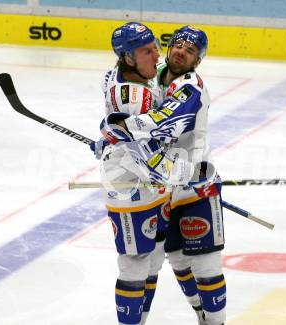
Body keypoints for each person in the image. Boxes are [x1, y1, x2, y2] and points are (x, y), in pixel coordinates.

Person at [102, 26, 226, 325]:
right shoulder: (151, 71)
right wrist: (109, 132)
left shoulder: (191, 87)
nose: (182, 51)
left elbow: (164, 123)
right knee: (160, 260)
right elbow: (118, 98)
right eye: (178, 45)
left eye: (191, 50)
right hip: (162, 183)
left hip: (195, 180)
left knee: (205, 264)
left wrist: (118, 131)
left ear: (198, 60)